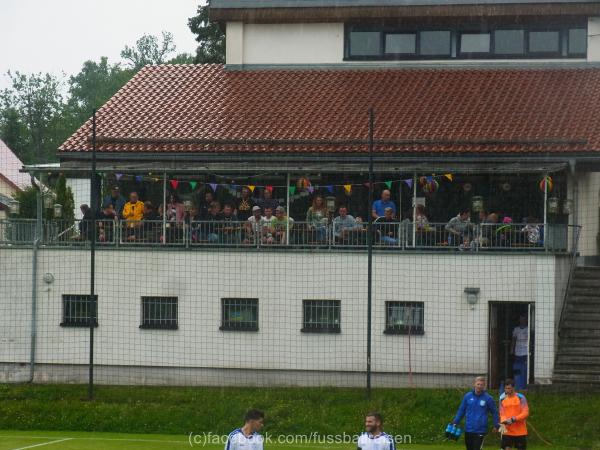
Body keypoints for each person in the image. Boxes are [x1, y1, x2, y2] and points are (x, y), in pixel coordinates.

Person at [452, 376, 500, 450]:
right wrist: (455, 422)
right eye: (478, 384)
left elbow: (494, 412)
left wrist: (496, 425)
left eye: (481, 385)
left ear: (484, 386)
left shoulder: (488, 398)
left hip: (480, 430)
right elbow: (461, 410)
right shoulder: (467, 396)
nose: (479, 386)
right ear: (474, 384)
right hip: (468, 429)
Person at [499, 378, 529, 450]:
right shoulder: (502, 399)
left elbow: (525, 413)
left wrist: (514, 419)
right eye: (506, 388)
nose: (507, 390)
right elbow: (501, 413)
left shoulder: (521, 398)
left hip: (520, 431)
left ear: (513, 388)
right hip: (507, 431)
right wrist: (504, 421)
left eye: (509, 388)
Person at [511, 315, 529, 390]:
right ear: (519, 320)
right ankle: (518, 385)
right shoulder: (516, 329)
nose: (522, 321)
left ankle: (524, 385)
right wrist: (511, 349)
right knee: (517, 369)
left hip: (525, 352)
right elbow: (513, 340)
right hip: (517, 352)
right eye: (521, 319)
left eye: (524, 319)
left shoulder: (528, 329)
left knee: (525, 369)